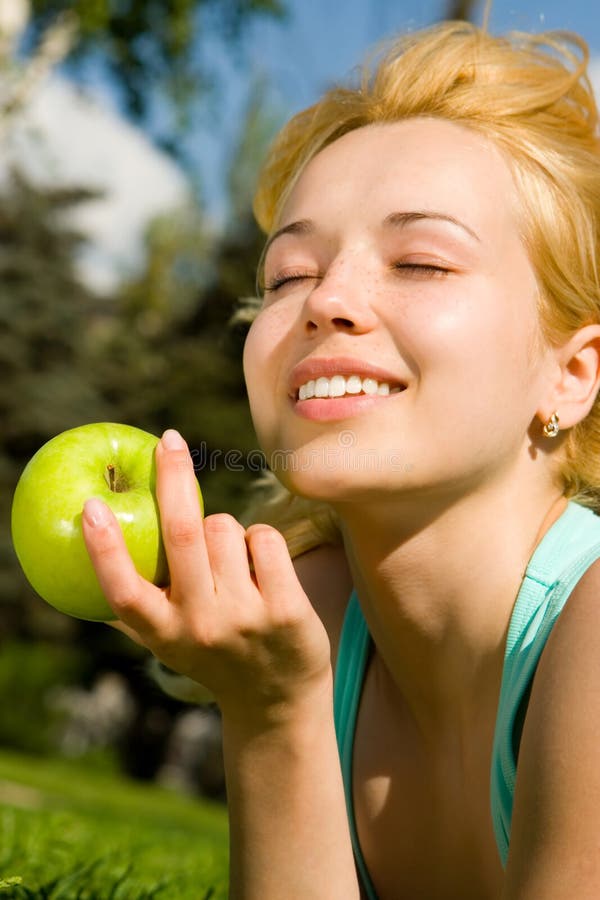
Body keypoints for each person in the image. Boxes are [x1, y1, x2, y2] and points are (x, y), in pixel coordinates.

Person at [82, 17, 600, 899]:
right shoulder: (311, 619)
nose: (327, 301)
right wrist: (275, 717)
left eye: (422, 262)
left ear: (574, 374)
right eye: (288, 275)